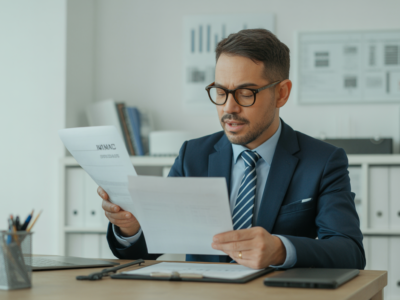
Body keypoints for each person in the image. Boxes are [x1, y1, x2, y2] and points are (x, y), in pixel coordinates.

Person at [98, 29, 365, 270]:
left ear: (281, 93)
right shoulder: (193, 155)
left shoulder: (323, 161)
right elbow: (149, 248)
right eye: (221, 91)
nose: (228, 108)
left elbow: (349, 251)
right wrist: (131, 228)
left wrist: (280, 250)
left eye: (246, 93)